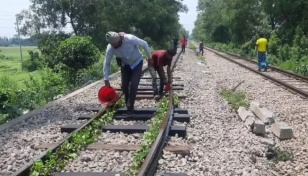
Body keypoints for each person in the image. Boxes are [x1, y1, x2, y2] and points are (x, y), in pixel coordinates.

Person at [103, 31, 153, 117]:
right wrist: (106, 78)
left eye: (116, 44)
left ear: (120, 39)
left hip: (137, 62)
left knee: (134, 84)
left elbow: (144, 44)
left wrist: (150, 58)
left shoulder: (130, 38)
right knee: (125, 86)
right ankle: (128, 104)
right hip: (125, 65)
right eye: (113, 45)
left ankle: (130, 107)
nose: (115, 46)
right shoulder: (110, 48)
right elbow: (107, 63)